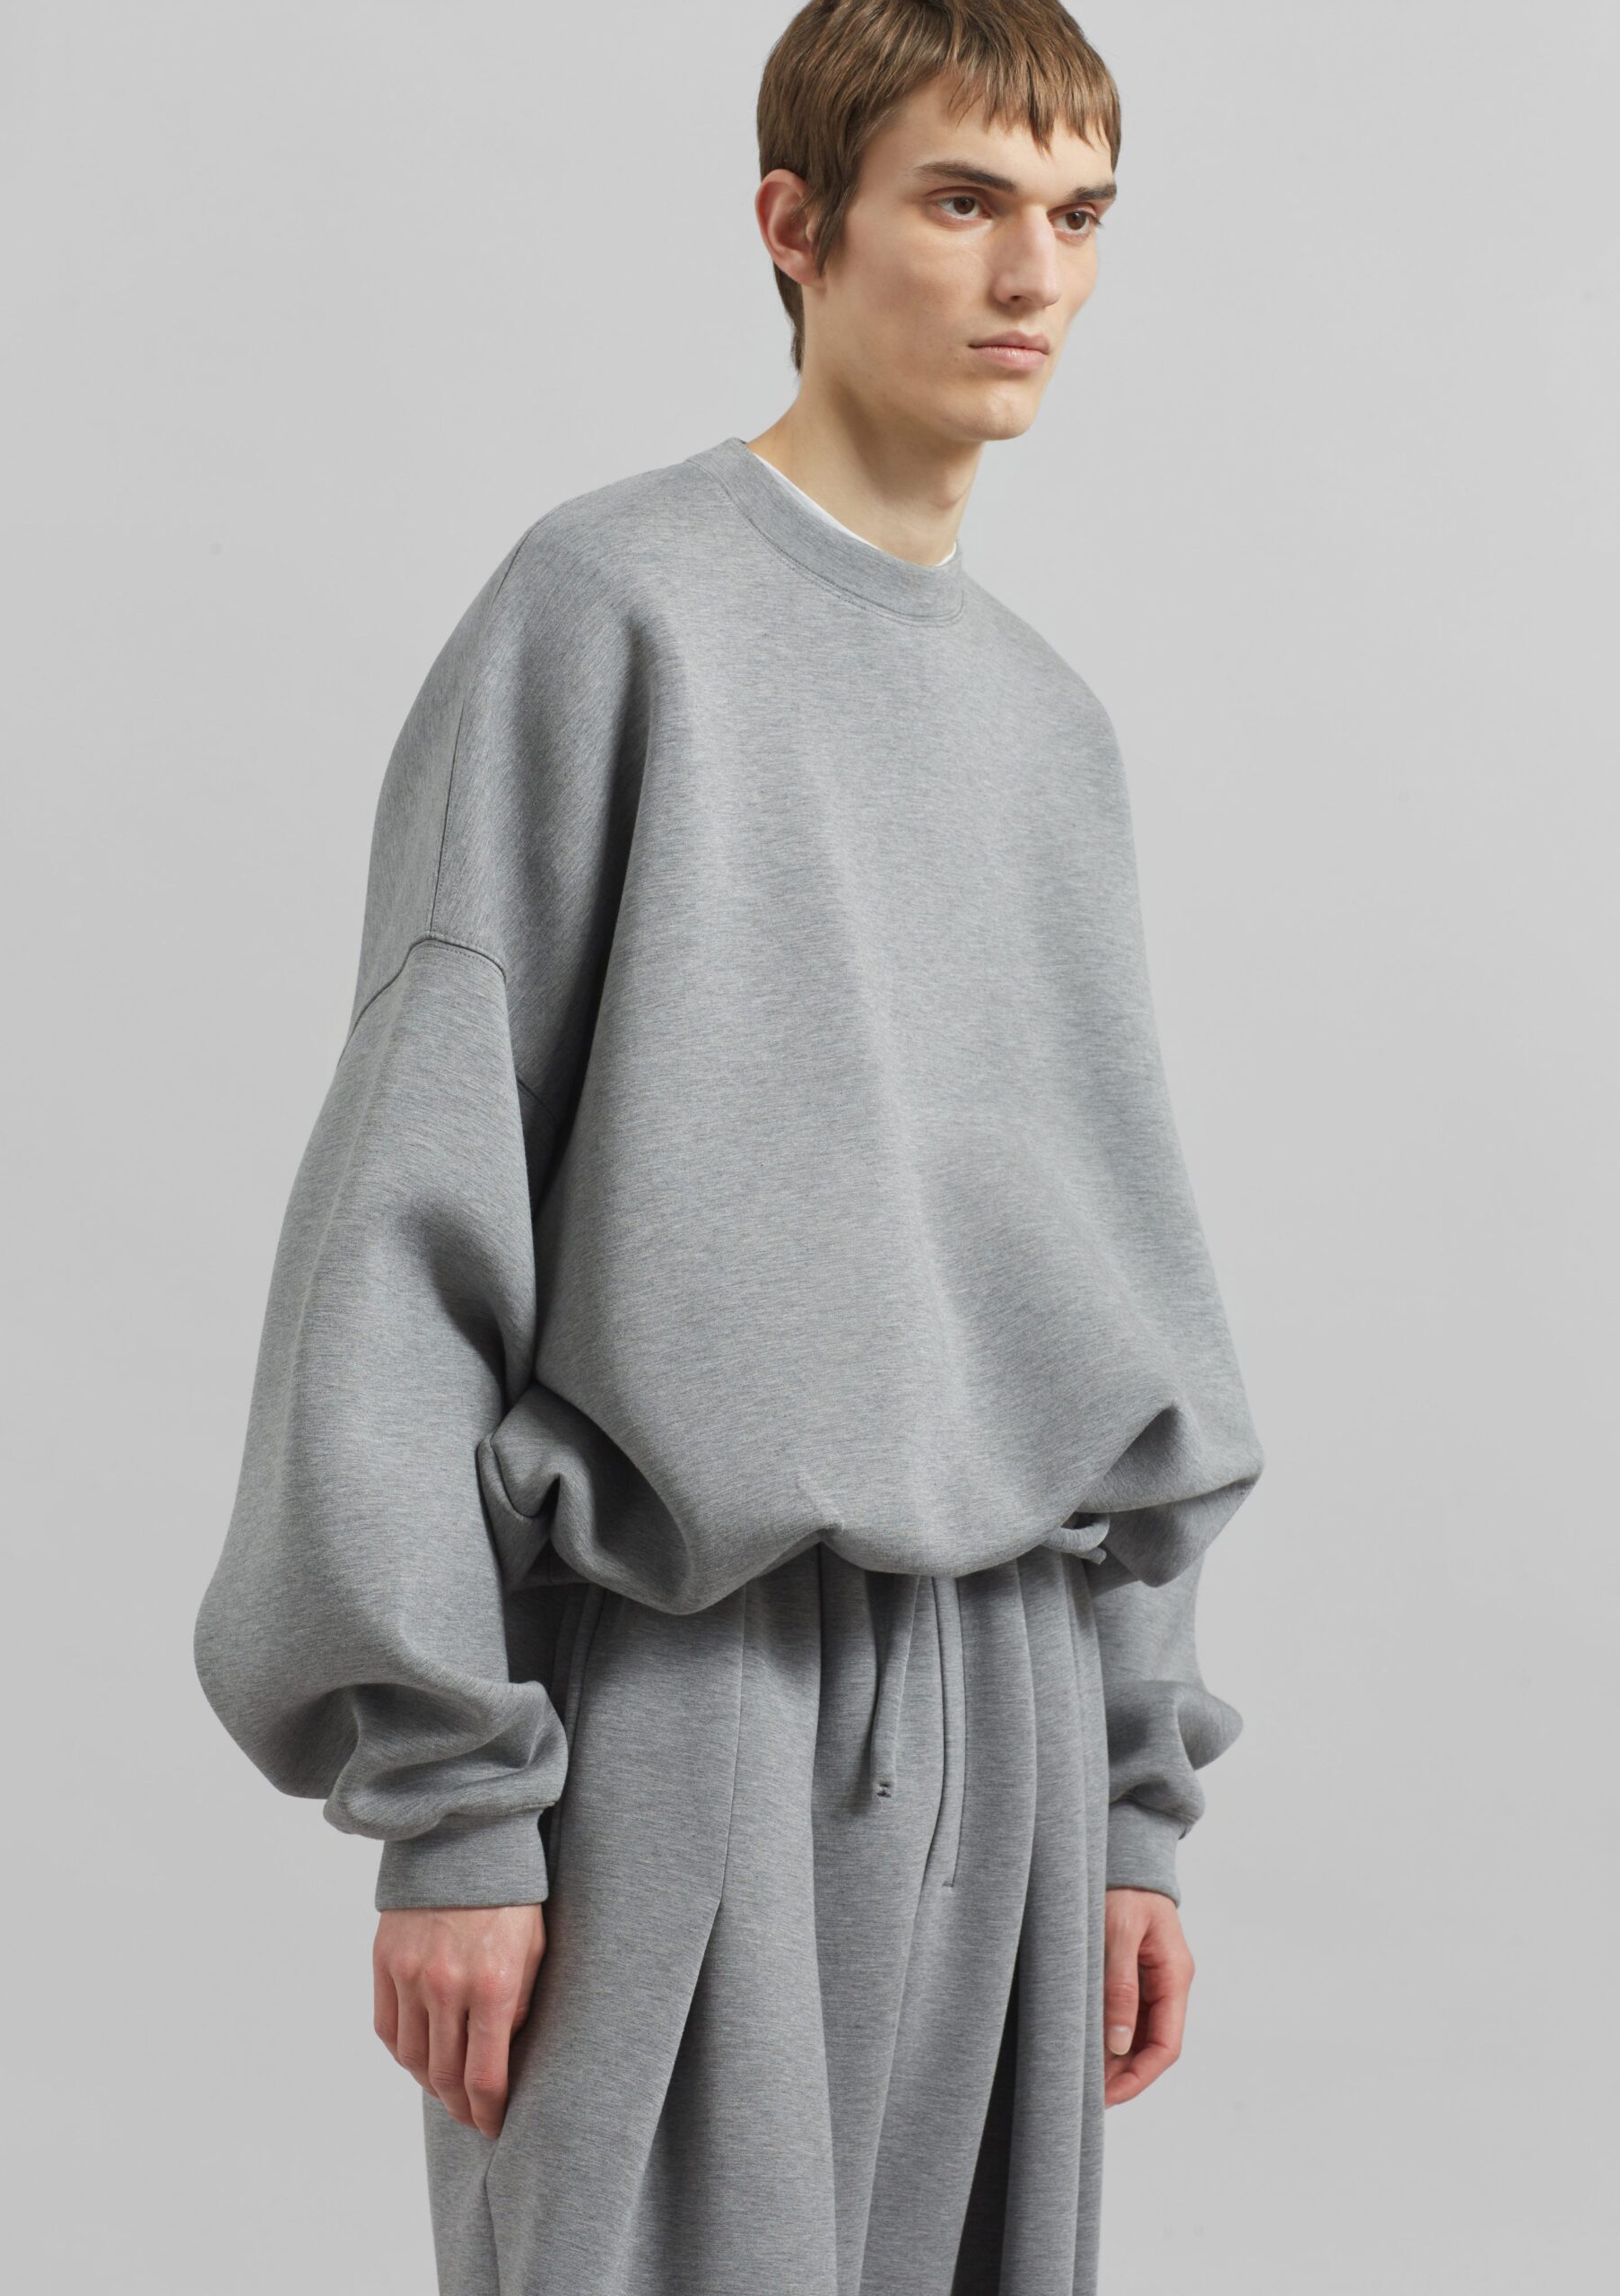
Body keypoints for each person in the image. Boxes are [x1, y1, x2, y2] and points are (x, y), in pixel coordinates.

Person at [192, 4, 1265, 2290]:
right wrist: (453, 1807)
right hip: (688, 1696)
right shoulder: (607, 613)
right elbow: (409, 1229)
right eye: (963, 201)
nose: (1035, 277)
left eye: (1078, 215)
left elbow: (1119, 1301)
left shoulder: (1052, 731)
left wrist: (1135, 1795)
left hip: (1019, 1699)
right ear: (798, 224)